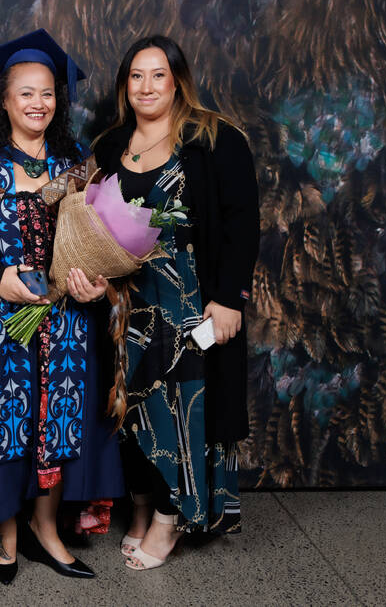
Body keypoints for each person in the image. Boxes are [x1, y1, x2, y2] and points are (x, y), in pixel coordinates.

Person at [0, 30, 124, 585]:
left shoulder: (76, 166)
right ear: (5, 99)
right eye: (26, 93)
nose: (38, 104)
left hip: (65, 322)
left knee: (57, 423)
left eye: (48, 95)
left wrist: (91, 282)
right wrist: (2, 280)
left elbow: (95, 242)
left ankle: (46, 527)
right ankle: (7, 533)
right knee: (6, 424)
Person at [92, 35, 259, 570]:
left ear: (178, 79)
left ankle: (171, 518)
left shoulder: (214, 139)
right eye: (135, 76)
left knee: (179, 411)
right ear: (125, 85)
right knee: (130, 407)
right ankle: (142, 506)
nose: (145, 86)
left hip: (189, 302)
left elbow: (242, 223)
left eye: (157, 74)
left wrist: (229, 298)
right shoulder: (109, 146)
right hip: (127, 303)